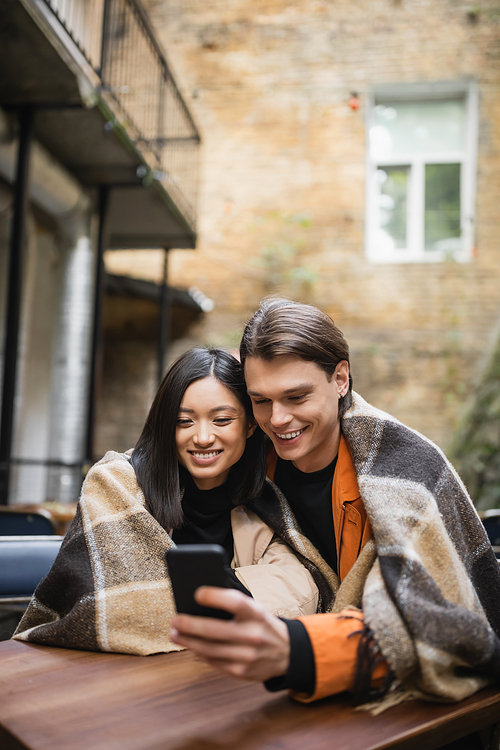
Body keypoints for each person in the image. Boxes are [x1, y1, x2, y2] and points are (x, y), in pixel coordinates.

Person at [171, 298, 500, 716]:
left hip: (410, 711)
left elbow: (444, 627)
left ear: (340, 378)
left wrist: (297, 650)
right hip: (269, 696)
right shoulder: (252, 462)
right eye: (261, 400)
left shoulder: (404, 468)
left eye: (296, 396)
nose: (278, 418)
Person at [14, 347, 335, 655]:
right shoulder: (117, 481)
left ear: (250, 425)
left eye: (221, 420)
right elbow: (108, 604)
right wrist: (236, 599)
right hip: (94, 672)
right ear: (168, 425)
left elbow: (305, 591)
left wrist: (169, 601)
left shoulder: (263, 501)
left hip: (208, 676)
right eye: (185, 421)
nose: (203, 437)